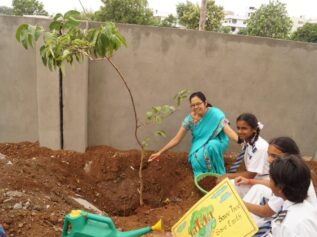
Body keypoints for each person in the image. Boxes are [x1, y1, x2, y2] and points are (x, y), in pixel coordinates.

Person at [148, 91, 234, 177]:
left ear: (205, 103)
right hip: (199, 144)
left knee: (212, 146)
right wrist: (160, 152)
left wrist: (241, 141)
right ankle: (206, 179)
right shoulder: (189, 120)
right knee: (197, 158)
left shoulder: (215, 113)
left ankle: (220, 175)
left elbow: (227, 129)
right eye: (193, 105)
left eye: (198, 104)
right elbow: (177, 139)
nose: (196, 107)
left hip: (218, 141)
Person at [238, 137, 317, 228]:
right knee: (258, 188)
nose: (268, 159)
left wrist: (240, 204)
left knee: (252, 223)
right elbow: (271, 184)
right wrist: (250, 181)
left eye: (274, 156)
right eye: (268, 154)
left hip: (299, 220)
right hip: (299, 212)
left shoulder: (287, 178)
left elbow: (266, 212)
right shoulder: (294, 170)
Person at [268, 155, 317, 237]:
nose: (269, 182)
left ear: (280, 188)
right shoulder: (306, 207)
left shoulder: (292, 224)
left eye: (270, 179)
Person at [225, 113, 270, 197]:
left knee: (229, 185)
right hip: (254, 178)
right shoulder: (248, 141)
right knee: (229, 184)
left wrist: (226, 176)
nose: (239, 132)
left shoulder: (260, 147)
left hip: (263, 182)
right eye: (238, 128)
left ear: (254, 129)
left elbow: (250, 175)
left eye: (244, 128)